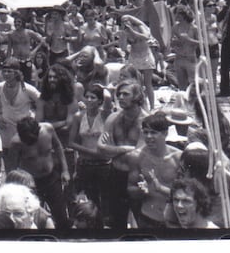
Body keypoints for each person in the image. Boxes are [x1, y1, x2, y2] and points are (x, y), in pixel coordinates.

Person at [97, 78, 148, 229]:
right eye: (119, 94)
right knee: (116, 222)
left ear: (137, 96)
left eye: (125, 94)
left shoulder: (145, 121)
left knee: (141, 221)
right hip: (115, 174)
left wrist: (111, 150)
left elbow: (139, 155)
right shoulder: (113, 118)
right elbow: (100, 149)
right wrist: (124, 149)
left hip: (135, 176)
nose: (120, 97)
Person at [126, 112, 182, 228]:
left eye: (153, 133)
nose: (149, 137)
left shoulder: (178, 157)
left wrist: (160, 189)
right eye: (146, 132)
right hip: (148, 217)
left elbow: (188, 191)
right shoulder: (136, 157)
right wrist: (140, 191)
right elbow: (130, 188)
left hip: (174, 218)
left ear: (165, 134)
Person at [14, 116, 70, 229]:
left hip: (52, 178)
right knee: (36, 219)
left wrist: (65, 170)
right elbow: (12, 169)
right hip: (31, 184)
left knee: (62, 217)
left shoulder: (48, 129)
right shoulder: (15, 143)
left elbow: (58, 146)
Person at [68, 84, 112, 219]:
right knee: (90, 198)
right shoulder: (78, 117)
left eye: (93, 97)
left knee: (106, 199)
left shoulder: (105, 115)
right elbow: (71, 142)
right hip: (85, 164)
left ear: (100, 100)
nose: (89, 100)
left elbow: (109, 98)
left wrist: (104, 88)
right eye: (86, 97)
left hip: (104, 164)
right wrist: (92, 152)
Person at [119, 15, 156, 109]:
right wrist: (123, 37)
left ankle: (152, 106)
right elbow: (123, 48)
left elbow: (146, 37)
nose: (125, 23)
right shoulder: (124, 32)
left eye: (126, 20)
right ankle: (139, 105)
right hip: (134, 57)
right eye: (123, 21)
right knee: (136, 84)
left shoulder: (140, 27)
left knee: (148, 84)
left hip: (146, 56)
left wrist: (132, 31)